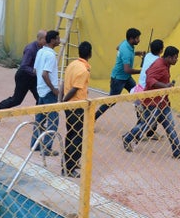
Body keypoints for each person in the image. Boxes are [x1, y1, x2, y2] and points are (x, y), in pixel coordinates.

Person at [122, 46, 180, 159]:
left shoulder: (164, 64)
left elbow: (149, 72)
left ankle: (177, 151)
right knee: (145, 124)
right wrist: (165, 86)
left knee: (170, 126)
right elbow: (150, 79)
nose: (176, 60)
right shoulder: (159, 65)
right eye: (175, 58)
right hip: (153, 102)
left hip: (163, 103)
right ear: (168, 57)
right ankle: (127, 138)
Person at [0, 30, 45, 124]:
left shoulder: (43, 48)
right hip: (24, 77)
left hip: (33, 78)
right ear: (40, 39)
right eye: (46, 39)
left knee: (40, 98)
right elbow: (24, 66)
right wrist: (35, 72)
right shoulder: (31, 49)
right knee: (17, 100)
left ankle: (39, 122)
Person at [95, 28, 144, 120]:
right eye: (137, 38)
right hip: (118, 79)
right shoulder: (126, 51)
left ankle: (141, 121)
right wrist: (141, 71)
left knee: (137, 97)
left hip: (126, 78)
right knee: (111, 102)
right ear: (131, 39)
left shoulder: (125, 43)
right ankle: (92, 118)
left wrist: (136, 53)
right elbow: (127, 69)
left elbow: (118, 48)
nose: (139, 40)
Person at [62, 41, 92, 178]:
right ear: (90, 54)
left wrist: (62, 100)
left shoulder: (72, 65)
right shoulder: (83, 71)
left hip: (70, 106)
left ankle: (68, 162)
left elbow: (64, 83)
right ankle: (69, 167)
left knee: (71, 134)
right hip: (76, 106)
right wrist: (63, 101)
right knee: (78, 137)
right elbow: (74, 89)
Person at [31, 30, 61, 156]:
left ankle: (35, 144)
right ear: (53, 40)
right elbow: (44, 74)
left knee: (40, 119)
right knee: (53, 121)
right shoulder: (50, 56)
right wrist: (53, 89)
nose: (60, 40)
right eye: (58, 38)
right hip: (48, 91)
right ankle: (47, 147)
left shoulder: (40, 52)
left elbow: (35, 71)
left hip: (40, 90)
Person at [131, 39, 165, 140]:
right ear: (161, 50)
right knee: (148, 114)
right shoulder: (158, 61)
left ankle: (150, 132)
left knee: (148, 113)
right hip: (146, 90)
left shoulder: (148, 56)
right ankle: (136, 134)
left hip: (139, 88)